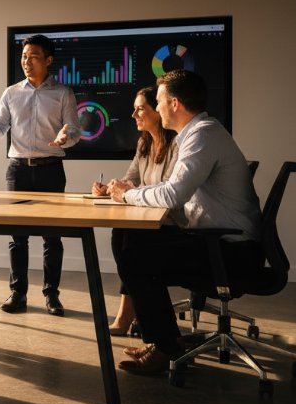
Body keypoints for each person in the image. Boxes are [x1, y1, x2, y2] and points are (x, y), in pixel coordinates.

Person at [108, 69, 262, 375]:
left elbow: (173, 194)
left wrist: (127, 195)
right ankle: (164, 339)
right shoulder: (195, 134)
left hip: (230, 251)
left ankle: (165, 347)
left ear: (175, 103)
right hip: (216, 240)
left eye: (160, 101)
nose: (158, 107)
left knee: (135, 259)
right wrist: (132, 193)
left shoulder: (202, 136)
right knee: (128, 237)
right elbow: (173, 190)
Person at [0, 34, 79, 316]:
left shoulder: (63, 94)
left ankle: (52, 296)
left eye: (33, 56)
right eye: (24, 56)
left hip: (51, 169)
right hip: (18, 171)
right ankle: (18, 294)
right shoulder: (11, 93)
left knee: (52, 237)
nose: (27, 61)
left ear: (48, 60)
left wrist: (66, 136)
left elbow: (73, 130)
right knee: (17, 236)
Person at [92, 86, 177, 336]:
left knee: (131, 245)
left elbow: (169, 189)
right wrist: (110, 188)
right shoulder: (144, 143)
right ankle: (133, 311)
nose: (133, 115)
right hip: (149, 216)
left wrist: (128, 190)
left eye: (140, 108)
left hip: (172, 222)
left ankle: (135, 313)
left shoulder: (176, 144)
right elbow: (130, 179)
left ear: (157, 111)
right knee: (121, 234)